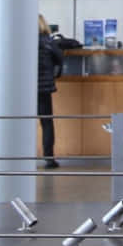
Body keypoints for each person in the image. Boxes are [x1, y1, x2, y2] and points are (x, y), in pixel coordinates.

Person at [36, 15, 81, 170]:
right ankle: (49, 158)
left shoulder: (21, 41)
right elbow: (59, 58)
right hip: (44, 88)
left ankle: (23, 157)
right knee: (46, 123)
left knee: (24, 121)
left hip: (24, 89)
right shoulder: (48, 41)